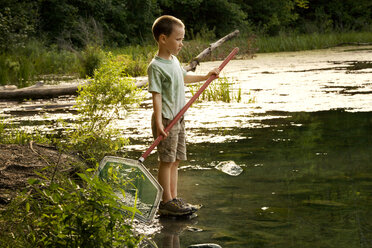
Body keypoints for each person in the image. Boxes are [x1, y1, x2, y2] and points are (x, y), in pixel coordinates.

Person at [148, 15, 220, 216]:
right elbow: (157, 95)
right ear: (163, 39)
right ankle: (166, 202)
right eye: (178, 39)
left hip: (179, 118)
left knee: (177, 159)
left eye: (182, 39)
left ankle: (174, 198)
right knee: (167, 160)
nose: (181, 43)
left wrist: (206, 77)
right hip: (166, 119)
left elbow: (184, 77)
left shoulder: (174, 61)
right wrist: (159, 121)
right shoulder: (156, 66)